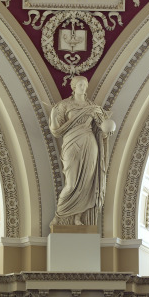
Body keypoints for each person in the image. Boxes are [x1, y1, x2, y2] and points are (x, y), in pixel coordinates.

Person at [49, 76, 115, 226]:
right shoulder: (64, 106)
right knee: (71, 183)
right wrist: (53, 116)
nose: (83, 87)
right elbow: (56, 130)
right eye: (80, 84)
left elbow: (101, 129)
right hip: (71, 143)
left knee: (86, 184)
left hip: (89, 144)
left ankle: (78, 217)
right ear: (73, 87)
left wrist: (106, 132)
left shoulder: (94, 108)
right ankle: (59, 216)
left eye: (84, 85)